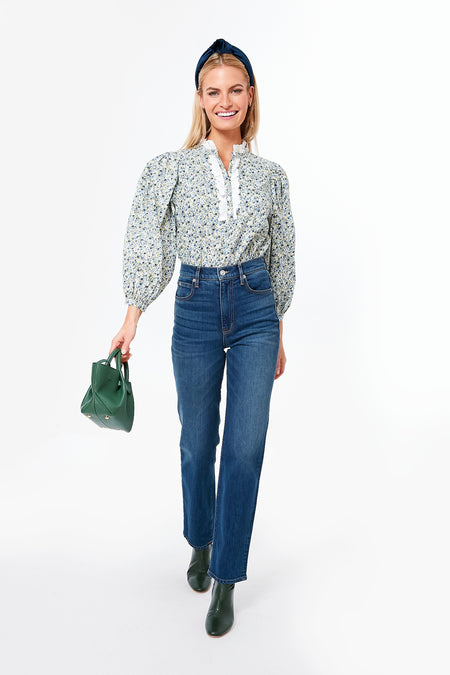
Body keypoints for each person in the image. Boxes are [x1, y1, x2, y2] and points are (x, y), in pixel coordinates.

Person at [110, 38, 296, 637]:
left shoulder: (272, 176)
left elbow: (282, 255)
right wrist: (132, 315)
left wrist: (279, 330)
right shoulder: (170, 168)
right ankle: (200, 538)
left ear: (250, 96)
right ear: (199, 98)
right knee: (197, 442)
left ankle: (226, 578)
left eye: (235, 90)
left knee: (244, 448)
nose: (225, 101)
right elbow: (147, 238)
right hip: (193, 306)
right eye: (213, 92)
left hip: (256, 311)